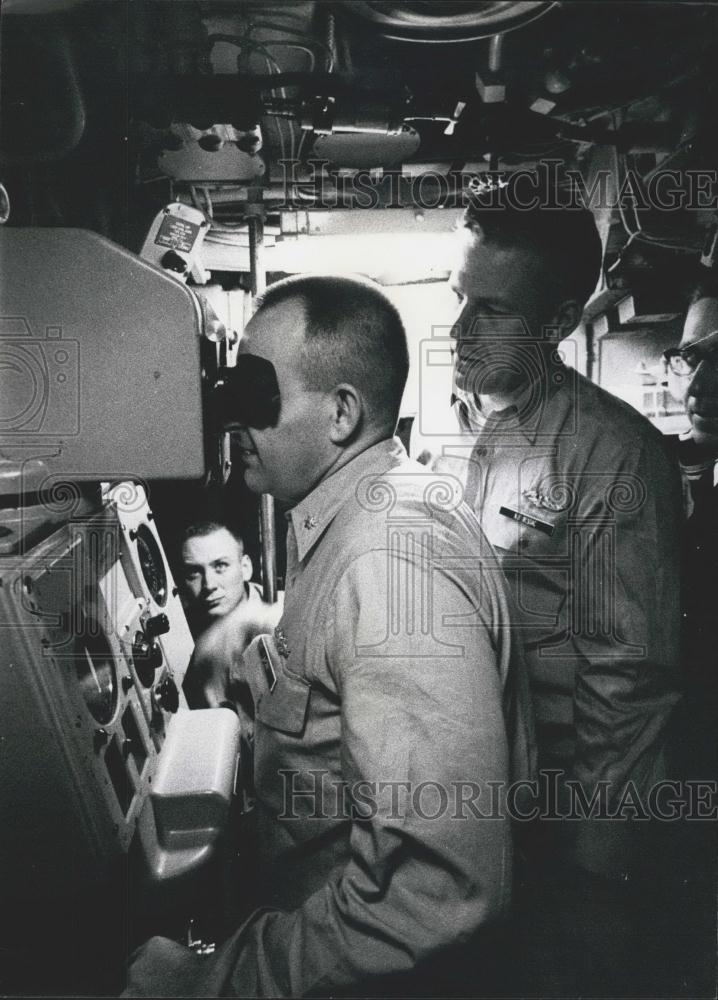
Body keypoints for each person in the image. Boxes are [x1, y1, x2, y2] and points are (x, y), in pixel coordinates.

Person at [124, 273, 535, 997]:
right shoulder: (375, 519)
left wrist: (210, 981)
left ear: (341, 413)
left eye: (255, 394)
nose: (230, 418)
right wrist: (266, 631)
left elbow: (430, 896)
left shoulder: (388, 559)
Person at [412, 183, 683, 995]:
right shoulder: (455, 425)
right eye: (461, 300)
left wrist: (596, 876)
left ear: (560, 323)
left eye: (492, 310)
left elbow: (630, 679)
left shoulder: (611, 456)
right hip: (470, 808)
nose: (460, 331)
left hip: (559, 828)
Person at [178, 520, 283, 709]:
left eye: (220, 566)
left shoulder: (283, 611)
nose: (209, 584)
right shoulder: (180, 638)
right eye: (194, 572)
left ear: (245, 568)